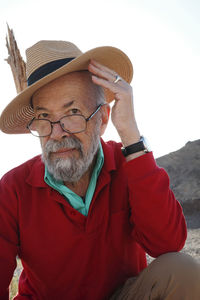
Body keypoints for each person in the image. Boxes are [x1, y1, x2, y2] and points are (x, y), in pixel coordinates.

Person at [0, 40, 199, 300]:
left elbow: (168, 244)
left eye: (72, 111)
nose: (57, 133)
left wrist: (131, 135)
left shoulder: (129, 163)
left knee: (182, 272)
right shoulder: (13, 188)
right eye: (45, 117)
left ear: (103, 119)